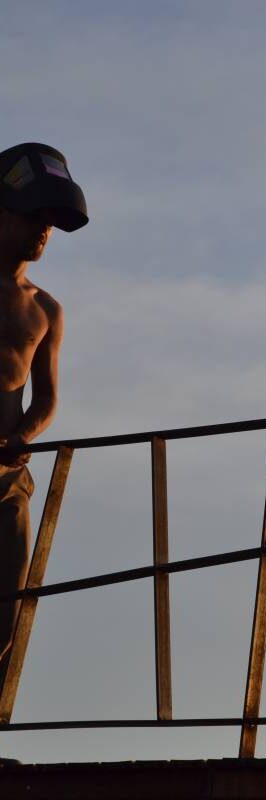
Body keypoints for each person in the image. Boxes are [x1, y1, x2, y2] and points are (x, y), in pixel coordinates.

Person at [0, 143, 87, 694]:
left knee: (6, 607)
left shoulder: (44, 307)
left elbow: (47, 400)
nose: (43, 230)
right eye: (33, 216)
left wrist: (21, 436)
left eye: (50, 220)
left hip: (7, 479)